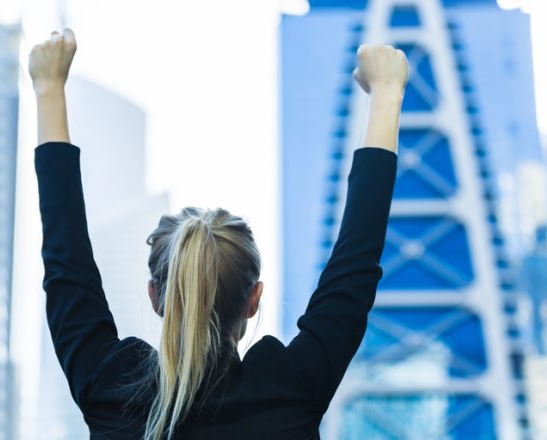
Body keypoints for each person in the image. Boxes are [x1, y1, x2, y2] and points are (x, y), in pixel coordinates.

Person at [30, 28, 408, 440]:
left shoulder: (111, 390)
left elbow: (67, 265)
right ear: (254, 299)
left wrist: (49, 88)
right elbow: (354, 267)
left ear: (156, 297)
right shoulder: (290, 391)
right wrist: (386, 94)